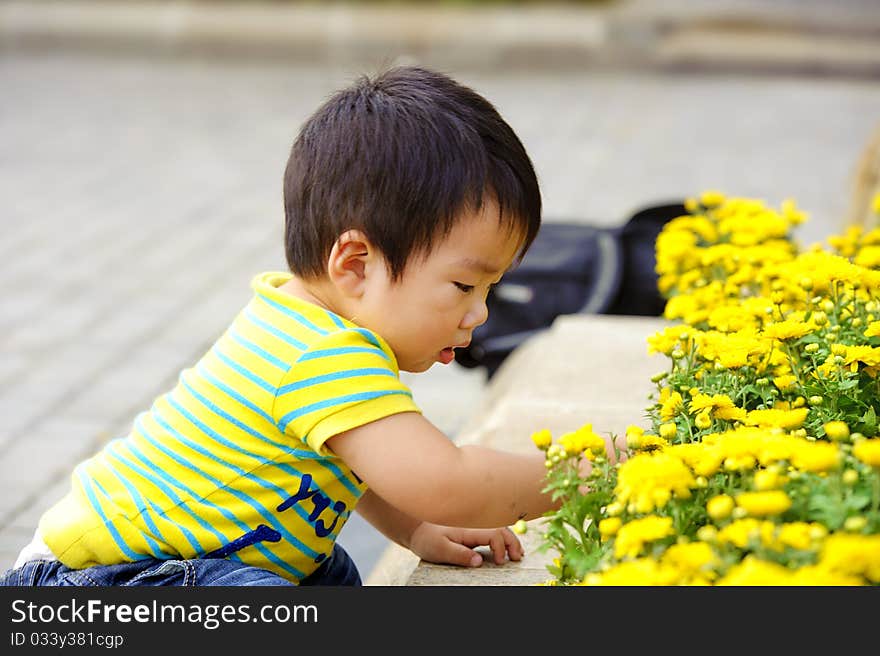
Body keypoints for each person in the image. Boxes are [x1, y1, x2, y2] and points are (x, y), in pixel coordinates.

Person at [2, 65, 620, 587]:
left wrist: (414, 529)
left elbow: (349, 459)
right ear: (355, 264)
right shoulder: (318, 352)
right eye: (464, 285)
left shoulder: (311, 324)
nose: (479, 313)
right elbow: (448, 481)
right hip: (107, 580)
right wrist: (593, 471)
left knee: (327, 572)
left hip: (201, 563)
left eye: (490, 290)